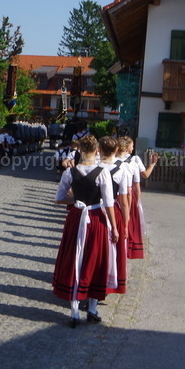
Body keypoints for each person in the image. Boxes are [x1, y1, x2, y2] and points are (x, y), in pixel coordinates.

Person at [52, 135, 118, 328]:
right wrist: (114, 227)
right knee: (95, 261)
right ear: (97, 151)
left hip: (76, 218)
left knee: (74, 259)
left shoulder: (70, 172)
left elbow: (59, 198)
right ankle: (92, 310)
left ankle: (74, 312)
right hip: (96, 219)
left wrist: (76, 200)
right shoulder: (103, 173)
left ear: (79, 150)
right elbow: (109, 203)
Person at [98, 136, 132, 295]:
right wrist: (125, 224)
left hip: (96, 210)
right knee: (114, 248)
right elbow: (124, 201)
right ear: (116, 150)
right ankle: (110, 282)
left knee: (97, 248)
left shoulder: (94, 166)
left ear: (99, 150)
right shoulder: (122, 170)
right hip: (114, 211)